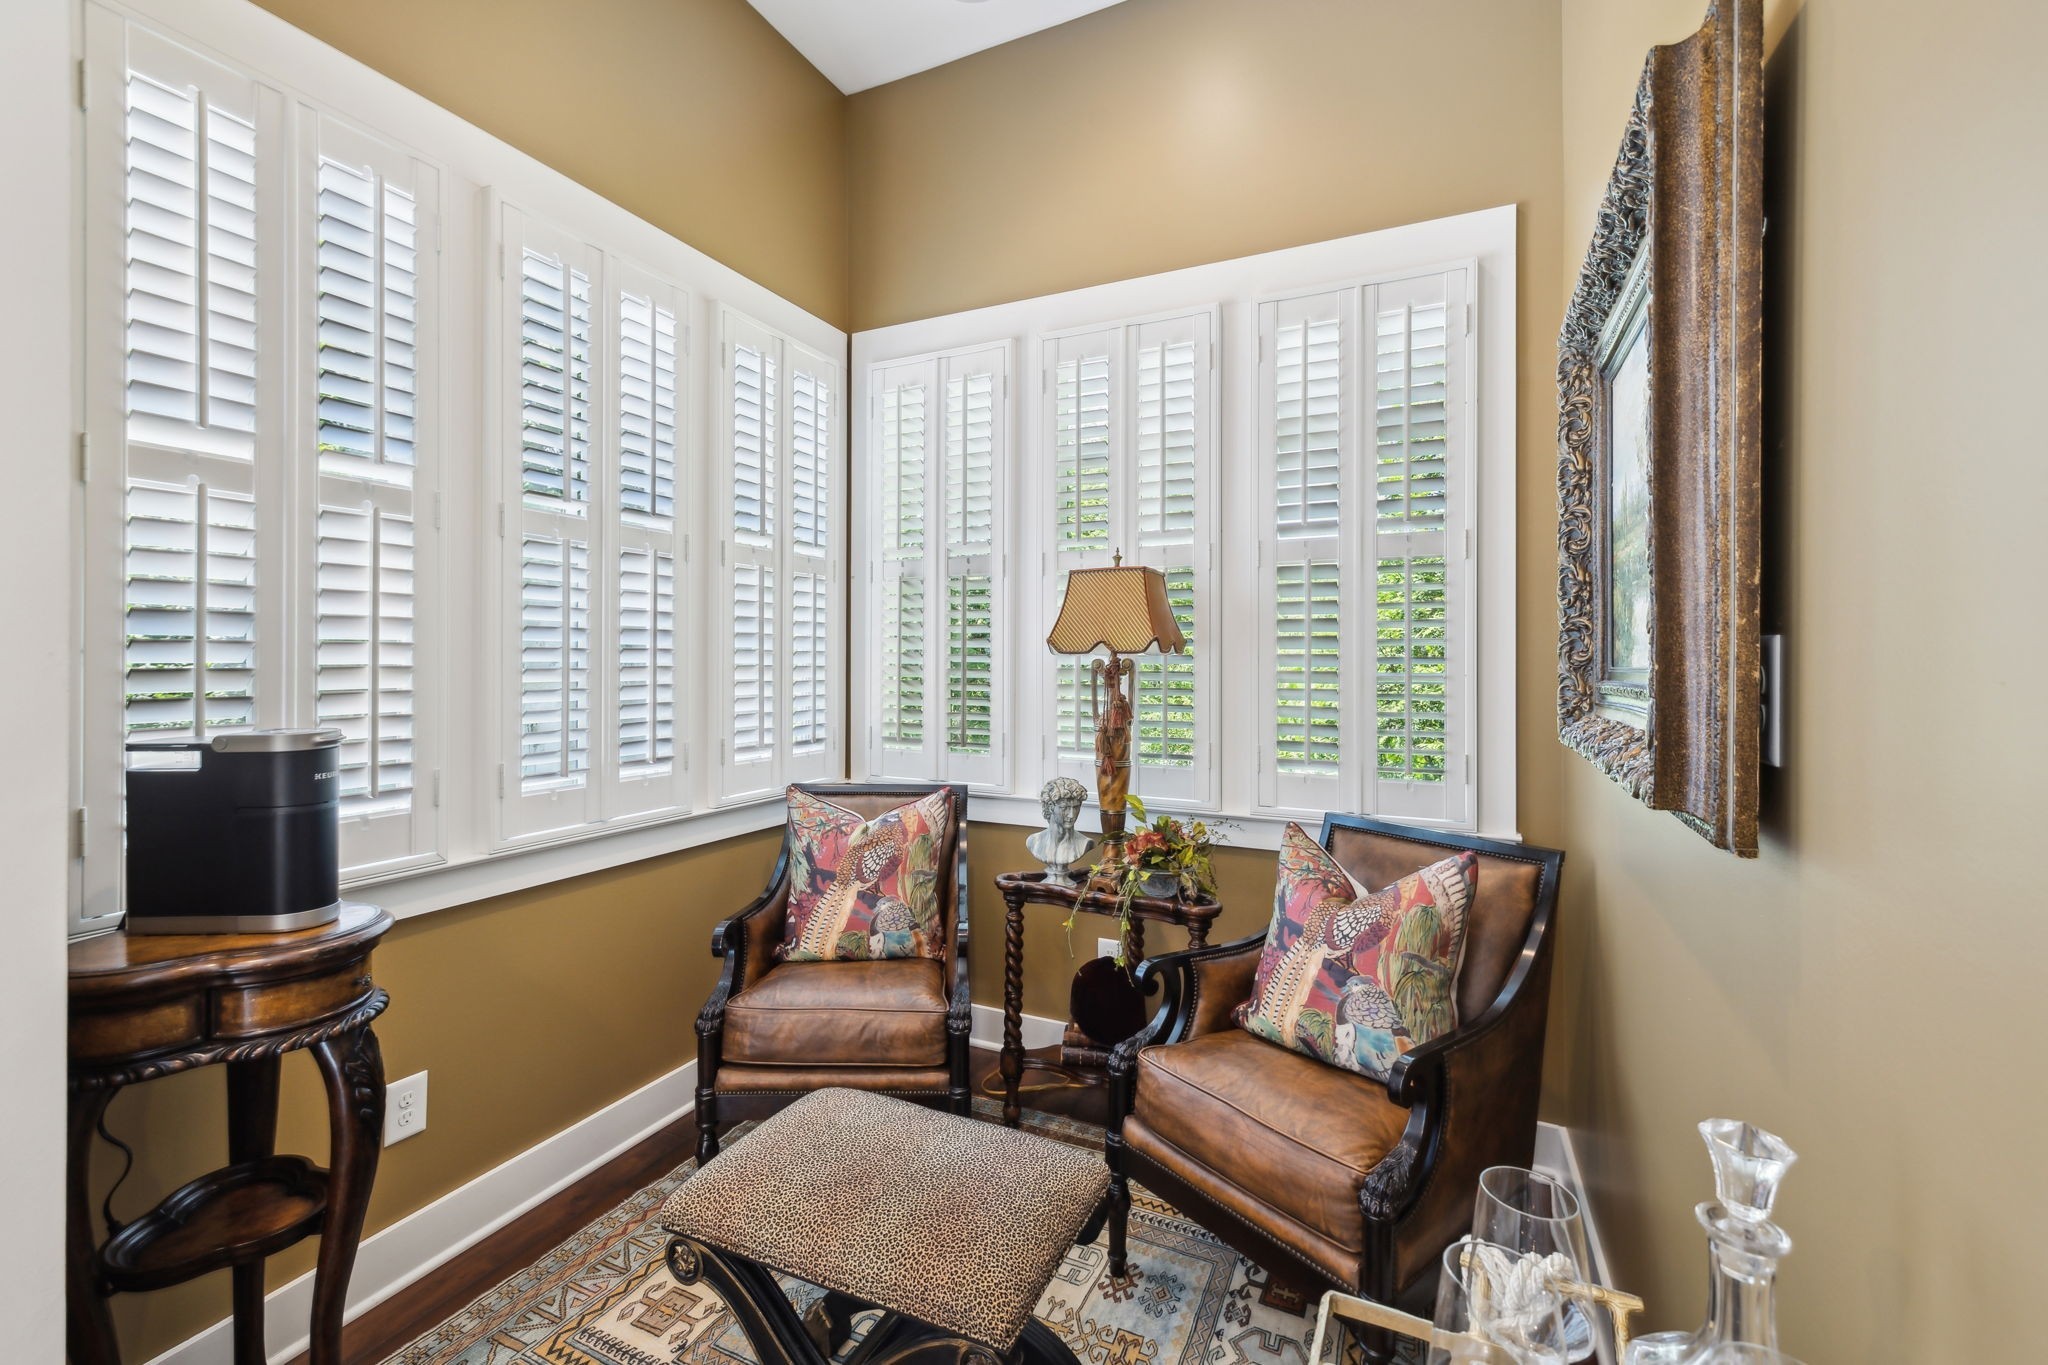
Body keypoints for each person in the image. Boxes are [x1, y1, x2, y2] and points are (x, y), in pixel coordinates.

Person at [1025, 777, 1094, 887]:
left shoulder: (1085, 843)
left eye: (1076, 807)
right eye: (1064, 808)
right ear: (1051, 807)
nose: (1071, 815)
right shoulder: (1034, 841)